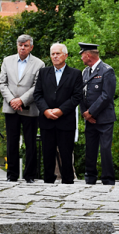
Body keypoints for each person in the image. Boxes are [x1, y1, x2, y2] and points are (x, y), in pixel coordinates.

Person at [33, 43, 83, 184]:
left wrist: (61, 110)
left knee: (66, 155)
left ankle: (67, 182)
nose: (55, 56)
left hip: (65, 121)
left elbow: (76, 96)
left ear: (65, 55)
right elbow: (37, 94)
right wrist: (45, 110)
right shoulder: (43, 73)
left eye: (58, 53)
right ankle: (48, 182)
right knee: (47, 155)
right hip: (47, 120)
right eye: (53, 54)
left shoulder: (75, 74)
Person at [0, 34, 44, 183]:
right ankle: (11, 174)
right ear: (17, 46)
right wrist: (12, 100)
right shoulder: (7, 61)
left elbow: (37, 86)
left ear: (31, 47)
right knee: (11, 141)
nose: (22, 48)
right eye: (20, 45)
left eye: (25, 45)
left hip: (29, 108)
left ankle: (29, 175)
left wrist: (21, 100)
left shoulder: (39, 64)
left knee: (30, 142)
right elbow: (2, 83)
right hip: (11, 108)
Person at [79, 42, 116, 185]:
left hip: (104, 118)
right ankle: (90, 177)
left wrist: (91, 112)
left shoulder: (107, 71)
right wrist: (84, 113)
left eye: (82, 55)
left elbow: (107, 95)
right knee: (90, 148)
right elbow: (81, 94)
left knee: (105, 149)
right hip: (89, 118)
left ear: (88, 55)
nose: (81, 58)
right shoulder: (85, 72)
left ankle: (107, 179)